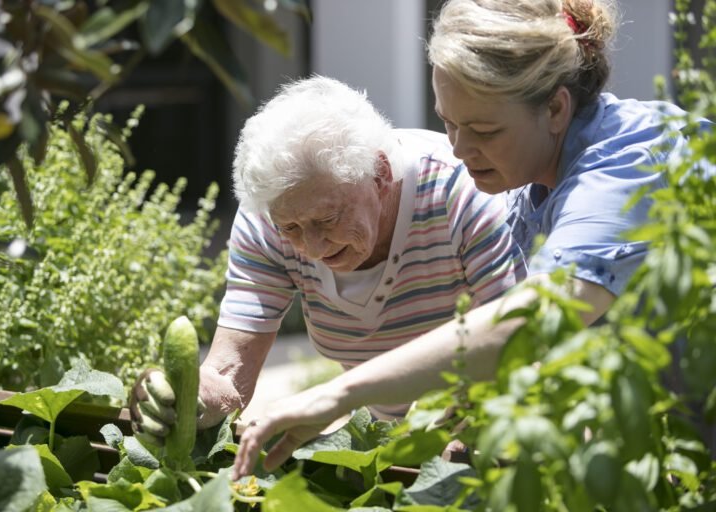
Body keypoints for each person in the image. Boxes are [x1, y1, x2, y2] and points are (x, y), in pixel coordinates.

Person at [230, 0, 714, 479]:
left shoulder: (625, 164)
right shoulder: (531, 179)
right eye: (448, 122)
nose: (459, 150)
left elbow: (532, 320)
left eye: (483, 129)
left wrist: (334, 396)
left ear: (555, 108)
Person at [128, 76, 526, 445]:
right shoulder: (267, 216)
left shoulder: (465, 195)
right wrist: (185, 396)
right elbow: (231, 370)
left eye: (328, 219)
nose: (313, 248)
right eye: (293, 229)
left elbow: (509, 347)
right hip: (392, 443)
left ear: (380, 175)